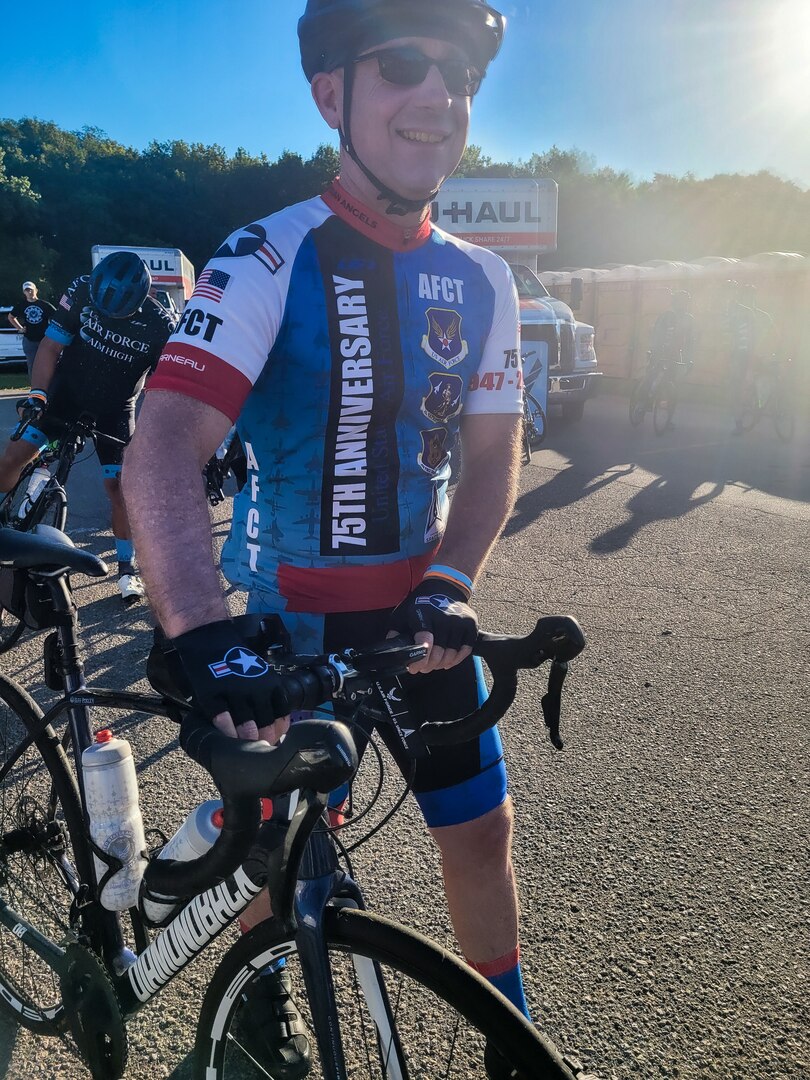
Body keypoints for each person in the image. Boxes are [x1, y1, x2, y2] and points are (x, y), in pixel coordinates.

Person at [124, 2, 527, 1077]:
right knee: (286, 848)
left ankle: (509, 1039)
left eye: (460, 75)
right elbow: (161, 452)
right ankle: (259, 1012)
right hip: (286, 624)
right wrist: (205, 638)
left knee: (481, 831)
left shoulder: (485, 280)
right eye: (403, 65)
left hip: (416, 621)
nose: (438, 96)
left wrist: (450, 582)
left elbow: (491, 463)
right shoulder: (267, 253)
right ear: (329, 94)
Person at [0, 251, 175, 602]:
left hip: (115, 409)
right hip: (66, 393)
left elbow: (163, 389)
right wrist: (37, 395)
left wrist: (156, 435)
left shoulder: (161, 326)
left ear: (142, 301)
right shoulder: (81, 290)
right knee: (13, 457)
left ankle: (126, 568)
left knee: (119, 488)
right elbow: (50, 347)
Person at [649, 288, 695, 429]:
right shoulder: (666, 315)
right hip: (660, 352)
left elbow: (691, 341)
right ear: (675, 302)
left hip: (676, 355)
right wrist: (655, 351)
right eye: (681, 302)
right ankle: (643, 400)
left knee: (674, 389)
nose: (683, 305)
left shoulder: (689, 319)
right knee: (651, 375)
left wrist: (689, 359)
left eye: (686, 302)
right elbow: (657, 334)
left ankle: (668, 419)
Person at [7, 281, 57, 381]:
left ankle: (49, 387)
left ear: (36, 290)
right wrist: (20, 328)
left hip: (44, 339)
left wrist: (52, 330)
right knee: (32, 364)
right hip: (29, 339)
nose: (29, 292)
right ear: (24, 292)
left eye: (31, 290)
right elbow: (11, 317)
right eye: (27, 290)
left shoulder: (44, 305)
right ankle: (35, 388)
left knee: (47, 363)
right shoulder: (21, 305)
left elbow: (57, 317)